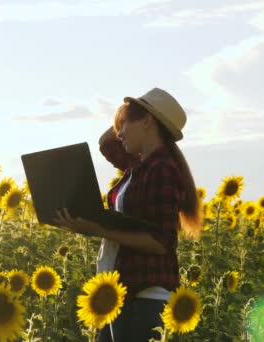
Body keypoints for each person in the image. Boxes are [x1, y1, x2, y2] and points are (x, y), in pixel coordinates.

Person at [55, 88, 201, 341]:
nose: (119, 133)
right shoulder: (139, 166)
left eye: (123, 125)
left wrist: (101, 231)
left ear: (147, 122)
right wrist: (128, 114)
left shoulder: (162, 169)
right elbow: (106, 143)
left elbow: (161, 242)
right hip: (120, 291)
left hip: (144, 298)